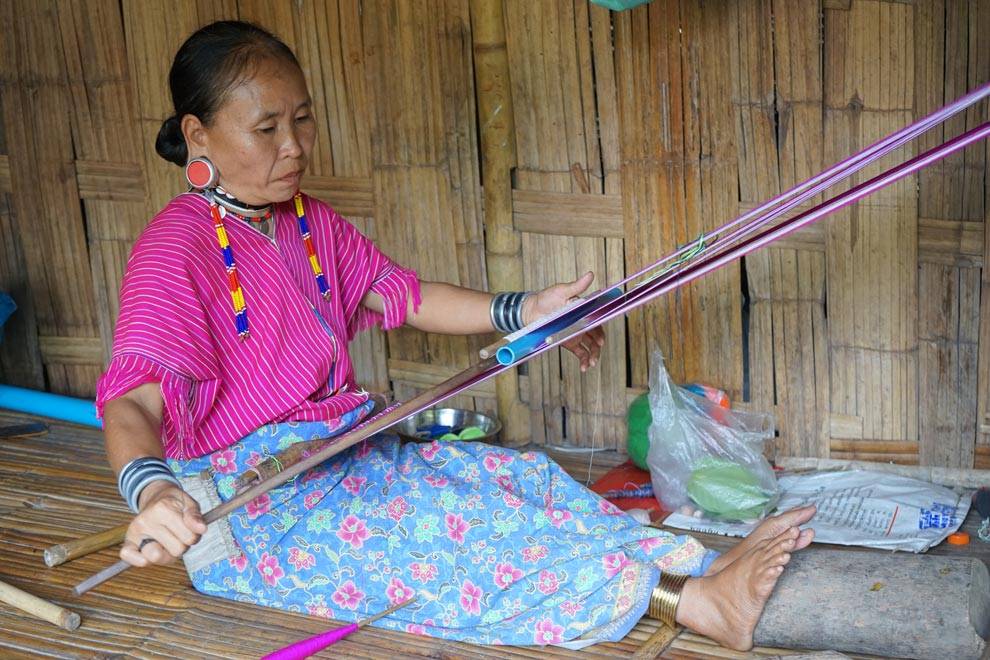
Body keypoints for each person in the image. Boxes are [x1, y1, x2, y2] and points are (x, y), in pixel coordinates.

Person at [98, 20, 815, 651]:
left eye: (304, 120)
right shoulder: (178, 249)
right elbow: (131, 403)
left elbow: (405, 296)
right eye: (267, 129)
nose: (295, 146)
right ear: (199, 135)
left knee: (513, 481)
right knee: (452, 534)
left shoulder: (306, 223)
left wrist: (528, 309)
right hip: (253, 519)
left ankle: (695, 563)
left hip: (340, 461)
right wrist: (154, 492)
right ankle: (695, 605)